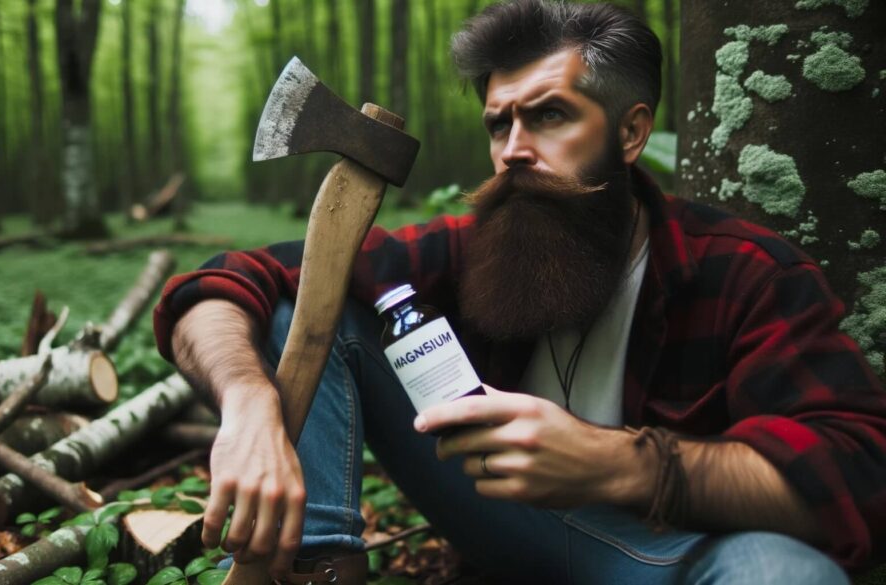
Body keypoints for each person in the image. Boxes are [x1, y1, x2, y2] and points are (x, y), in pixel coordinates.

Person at [152, 1, 886, 583]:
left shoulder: (746, 272)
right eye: (499, 124)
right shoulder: (475, 246)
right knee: (295, 304)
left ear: (630, 134)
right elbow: (216, 284)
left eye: (550, 115)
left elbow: (857, 468)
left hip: (672, 557)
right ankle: (312, 570)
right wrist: (250, 403)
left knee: (788, 573)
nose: (513, 153)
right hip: (503, 524)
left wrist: (621, 463)